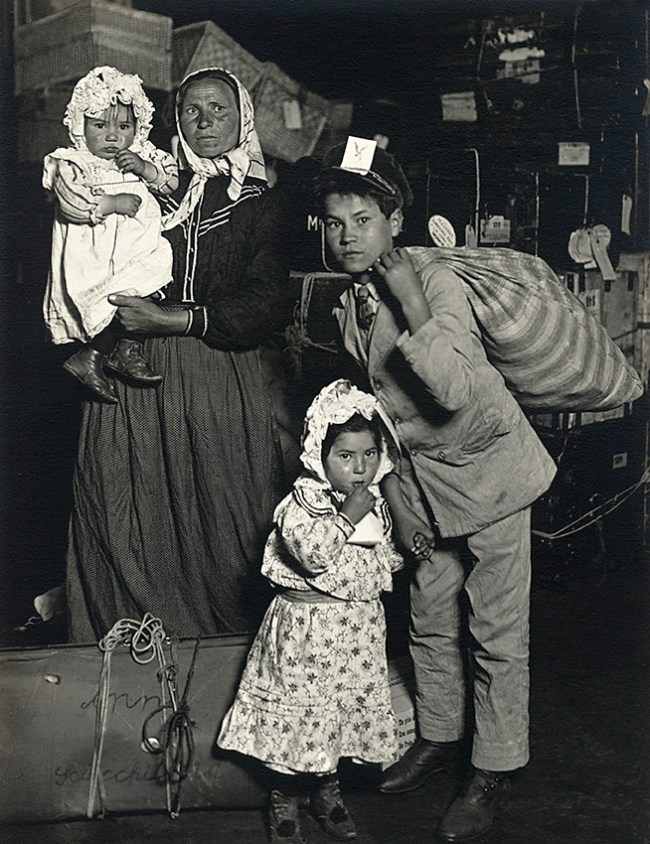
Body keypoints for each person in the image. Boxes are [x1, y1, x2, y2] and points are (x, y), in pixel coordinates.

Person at [314, 138, 557, 842]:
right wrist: (395, 503)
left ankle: (493, 769)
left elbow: (449, 386)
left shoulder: (436, 279)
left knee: (496, 632)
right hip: (423, 485)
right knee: (427, 615)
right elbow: (379, 418)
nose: (347, 236)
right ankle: (441, 736)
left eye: (361, 219)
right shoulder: (347, 303)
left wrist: (412, 296)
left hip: (491, 473)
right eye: (334, 223)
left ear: (394, 218)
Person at [64, 66, 294, 642]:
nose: (205, 121)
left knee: (224, 517)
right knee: (124, 507)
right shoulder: (144, 185)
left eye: (219, 109)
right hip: (131, 374)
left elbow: (269, 302)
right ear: (175, 121)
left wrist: (176, 318)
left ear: (243, 118)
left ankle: (227, 659)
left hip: (215, 371)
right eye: (192, 110)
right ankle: (129, 649)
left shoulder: (262, 203)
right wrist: (76, 206)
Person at [218, 378, 413, 844]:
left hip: (355, 634)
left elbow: (380, 560)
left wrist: (403, 545)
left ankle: (328, 792)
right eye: (345, 456)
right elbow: (313, 555)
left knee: (338, 718)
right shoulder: (303, 504)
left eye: (368, 455)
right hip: (306, 633)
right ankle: (284, 795)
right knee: (303, 719)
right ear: (320, 456)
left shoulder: (377, 502)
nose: (359, 468)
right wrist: (346, 517)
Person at [43, 65, 179, 403]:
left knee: (153, 279)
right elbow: (71, 202)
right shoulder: (73, 162)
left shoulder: (141, 154)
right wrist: (110, 202)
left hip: (137, 245)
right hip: (96, 250)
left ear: (138, 128)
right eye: (99, 125)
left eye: (124, 126)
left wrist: (146, 169)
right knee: (112, 299)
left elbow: (173, 182)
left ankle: (122, 349)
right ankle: (93, 353)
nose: (112, 136)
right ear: (80, 125)